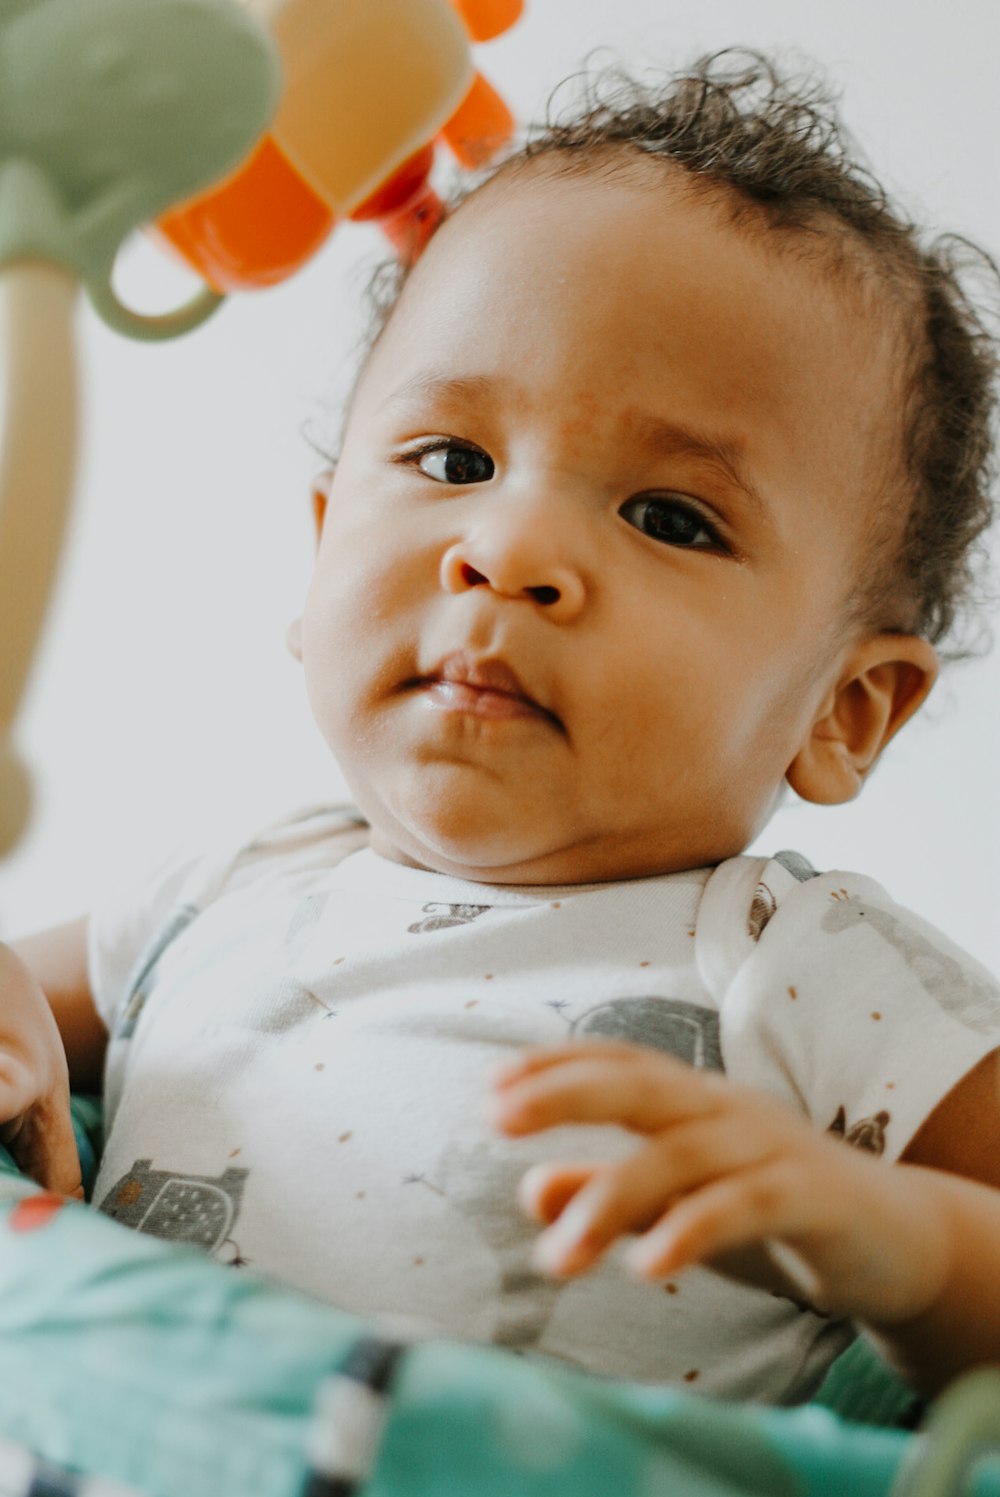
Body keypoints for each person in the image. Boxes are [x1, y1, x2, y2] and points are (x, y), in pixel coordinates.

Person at [3, 51, 1000, 1404]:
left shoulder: (802, 970)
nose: (509, 548)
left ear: (845, 709)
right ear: (320, 555)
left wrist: (894, 1245)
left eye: (669, 518)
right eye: (454, 462)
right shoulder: (222, 892)